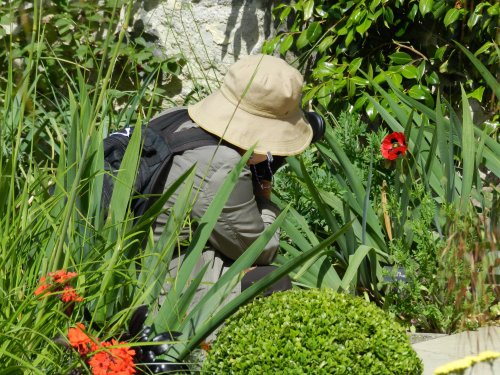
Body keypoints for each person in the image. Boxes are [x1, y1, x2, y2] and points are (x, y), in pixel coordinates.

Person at [153, 54, 320, 301]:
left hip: (133, 263)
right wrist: (263, 185)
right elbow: (258, 250)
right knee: (272, 281)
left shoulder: (173, 117)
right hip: (158, 290)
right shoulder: (220, 165)